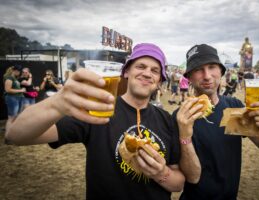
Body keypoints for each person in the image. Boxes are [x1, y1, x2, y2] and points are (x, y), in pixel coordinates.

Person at [6, 43, 185, 200]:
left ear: (160, 80)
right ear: (126, 72)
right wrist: (57, 103)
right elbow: (16, 135)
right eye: (141, 66)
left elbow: (178, 184)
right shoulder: (97, 109)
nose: (147, 73)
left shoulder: (167, 120)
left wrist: (161, 173)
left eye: (155, 70)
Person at [174, 44, 259, 200]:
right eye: (198, 69)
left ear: (221, 72)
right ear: (189, 77)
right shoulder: (181, 117)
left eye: (212, 67)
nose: (207, 75)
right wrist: (184, 134)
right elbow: (192, 178)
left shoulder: (233, 108)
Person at [3, 65, 26, 137]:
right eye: (19, 71)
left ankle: (13, 134)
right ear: (15, 71)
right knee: (12, 117)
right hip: (12, 98)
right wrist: (21, 90)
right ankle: (8, 136)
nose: (19, 73)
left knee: (16, 117)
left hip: (17, 98)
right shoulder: (9, 78)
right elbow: (7, 90)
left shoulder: (14, 78)